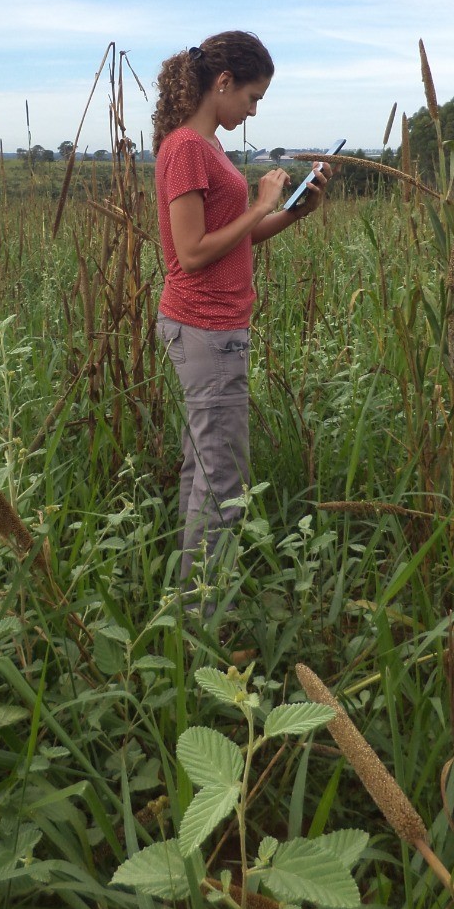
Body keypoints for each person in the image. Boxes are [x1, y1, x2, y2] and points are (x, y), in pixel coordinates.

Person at [152, 31, 331, 613]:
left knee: (203, 468)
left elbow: (236, 240)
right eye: (252, 96)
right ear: (222, 83)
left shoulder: (206, 147)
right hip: (205, 328)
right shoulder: (186, 148)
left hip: (213, 327)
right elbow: (194, 252)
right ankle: (203, 624)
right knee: (222, 480)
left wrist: (291, 213)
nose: (255, 110)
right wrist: (258, 202)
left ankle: (189, 604)